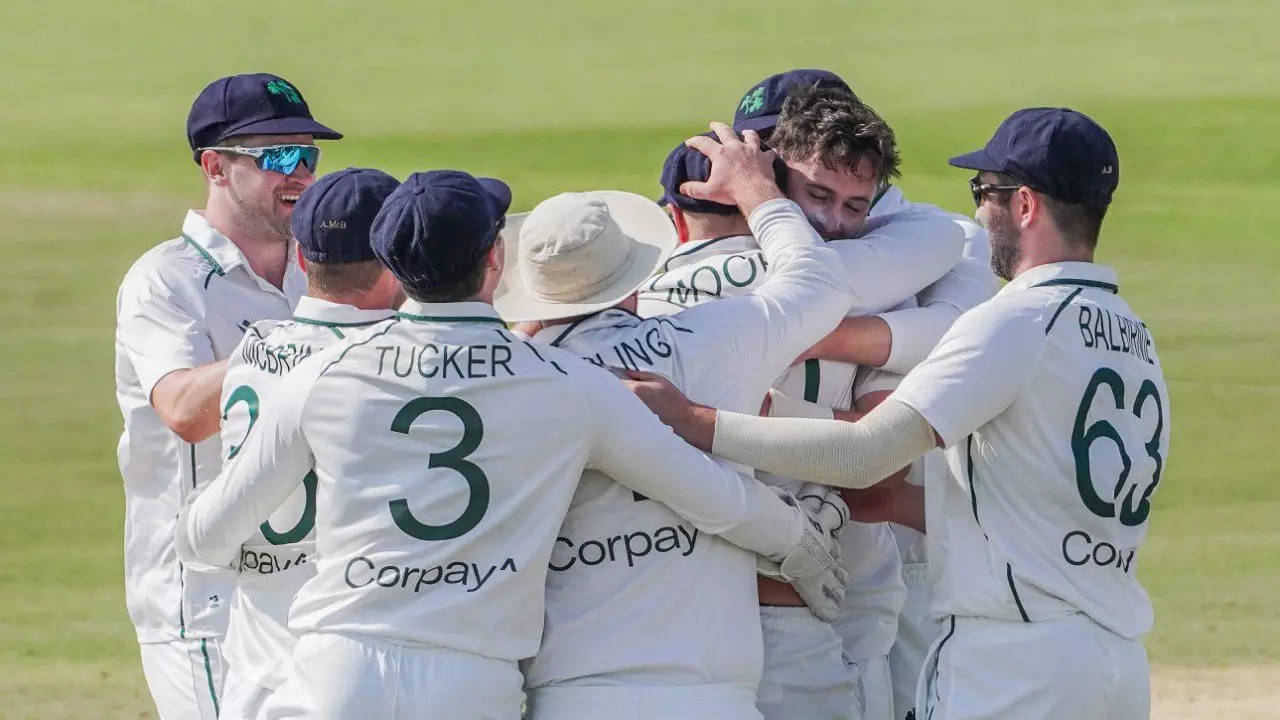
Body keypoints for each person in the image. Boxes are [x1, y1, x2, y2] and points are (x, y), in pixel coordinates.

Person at [175, 168, 844, 719]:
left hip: (337, 672)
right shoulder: (568, 384)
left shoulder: (322, 375)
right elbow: (712, 497)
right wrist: (804, 546)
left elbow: (204, 537)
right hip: (473, 681)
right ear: (494, 261)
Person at [626, 107, 1168, 720]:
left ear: (1024, 206)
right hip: (1115, 661)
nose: (978, 212)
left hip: (1017, 664)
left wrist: (694, 418)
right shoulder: (1132, 334)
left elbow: (864, 453)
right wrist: (899, 504)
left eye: (983, 192)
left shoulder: (1015, 320)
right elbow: (1038, 501)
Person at [500, 124, 851, 719]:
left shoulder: (516, 383)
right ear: (635, 273)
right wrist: (759, 192)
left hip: (568, 691)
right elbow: (820, 280)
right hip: (712, 690)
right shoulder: (713, 338)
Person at [640, 81, 965, 720]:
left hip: (800, 616)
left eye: (852, 204)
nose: (832, 221)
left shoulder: (658, 289)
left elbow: (884, 455)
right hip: (758, 616)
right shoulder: (885, 284)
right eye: (816, 195)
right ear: (764, 170)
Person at [735, 70, 999, 720]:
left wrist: (801, 335)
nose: (831, 218)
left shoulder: (934, 237)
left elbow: (947, 341)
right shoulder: (741, 246)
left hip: (887, 572)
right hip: (740, 585)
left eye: (851, 197)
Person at [113, 72, 340, 719]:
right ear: (215, 165)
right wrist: (298, 342)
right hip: (205, 596)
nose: (300, 174)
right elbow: (184, 411)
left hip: (313, 583)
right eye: (277, 158)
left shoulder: (322, 272)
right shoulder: (166, 280)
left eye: (309, 156)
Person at [215, 168, 402, 720]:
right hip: (350, 666)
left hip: (253, 671)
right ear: (397, 263)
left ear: (302, 259)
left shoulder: (254, 346)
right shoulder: (390, 366)